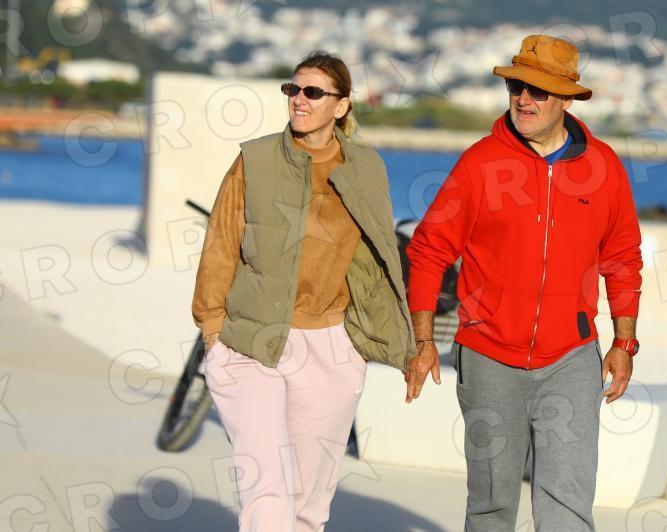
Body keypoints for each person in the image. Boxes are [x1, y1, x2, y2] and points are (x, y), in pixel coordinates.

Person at [404, 35, 643, 531]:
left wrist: (624, 343)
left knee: (568, 505)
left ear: (567, 99)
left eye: (537, 91)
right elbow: (429, 249)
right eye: (516, 87)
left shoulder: (603, 168)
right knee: (491, 507)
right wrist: (423, 339)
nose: (523, 99)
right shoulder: (480, 163)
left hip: (571, 357)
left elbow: (622, 259)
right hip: (488, 355)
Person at [191, 50, 417, 532]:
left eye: (313, 92)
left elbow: (380, 260)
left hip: (332, 345)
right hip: (251, 340)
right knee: (267, 488)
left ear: (341, 106)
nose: (299, 99)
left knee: (309, 504)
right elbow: (221, 244)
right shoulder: (254, 159)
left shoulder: (366, 167)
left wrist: (399, 344)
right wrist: (212, 330)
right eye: (292, 89)